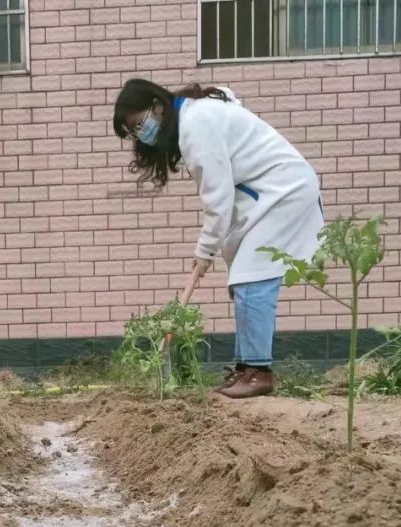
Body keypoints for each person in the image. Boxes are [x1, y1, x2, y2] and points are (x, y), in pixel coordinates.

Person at [113, 79, 323, 399]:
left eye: (140, 123)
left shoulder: (196, 125)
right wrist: (214, 250)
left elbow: (219, 199)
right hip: (272, 195)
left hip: (286, 193)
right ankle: (244, 369)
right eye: (134, 131)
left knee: (253, 278)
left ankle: (258, 374)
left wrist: (204, 251)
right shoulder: (195, 118)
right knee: (244, 279)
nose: (141, 133)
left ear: (157, 106)